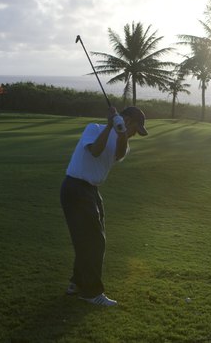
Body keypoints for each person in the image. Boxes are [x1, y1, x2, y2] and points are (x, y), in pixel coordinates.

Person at [60, 105, 148, 306]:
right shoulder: (94, 128)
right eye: (135, 128)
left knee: (89, 240)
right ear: (126, 120)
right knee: (94, 242)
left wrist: (122, 134)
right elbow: (95, 151)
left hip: (90, 191)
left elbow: (118, 153)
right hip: (75, 187)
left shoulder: (124, 142)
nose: (135, 134)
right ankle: (91, 293)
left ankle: (76, 283)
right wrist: (109, 126)